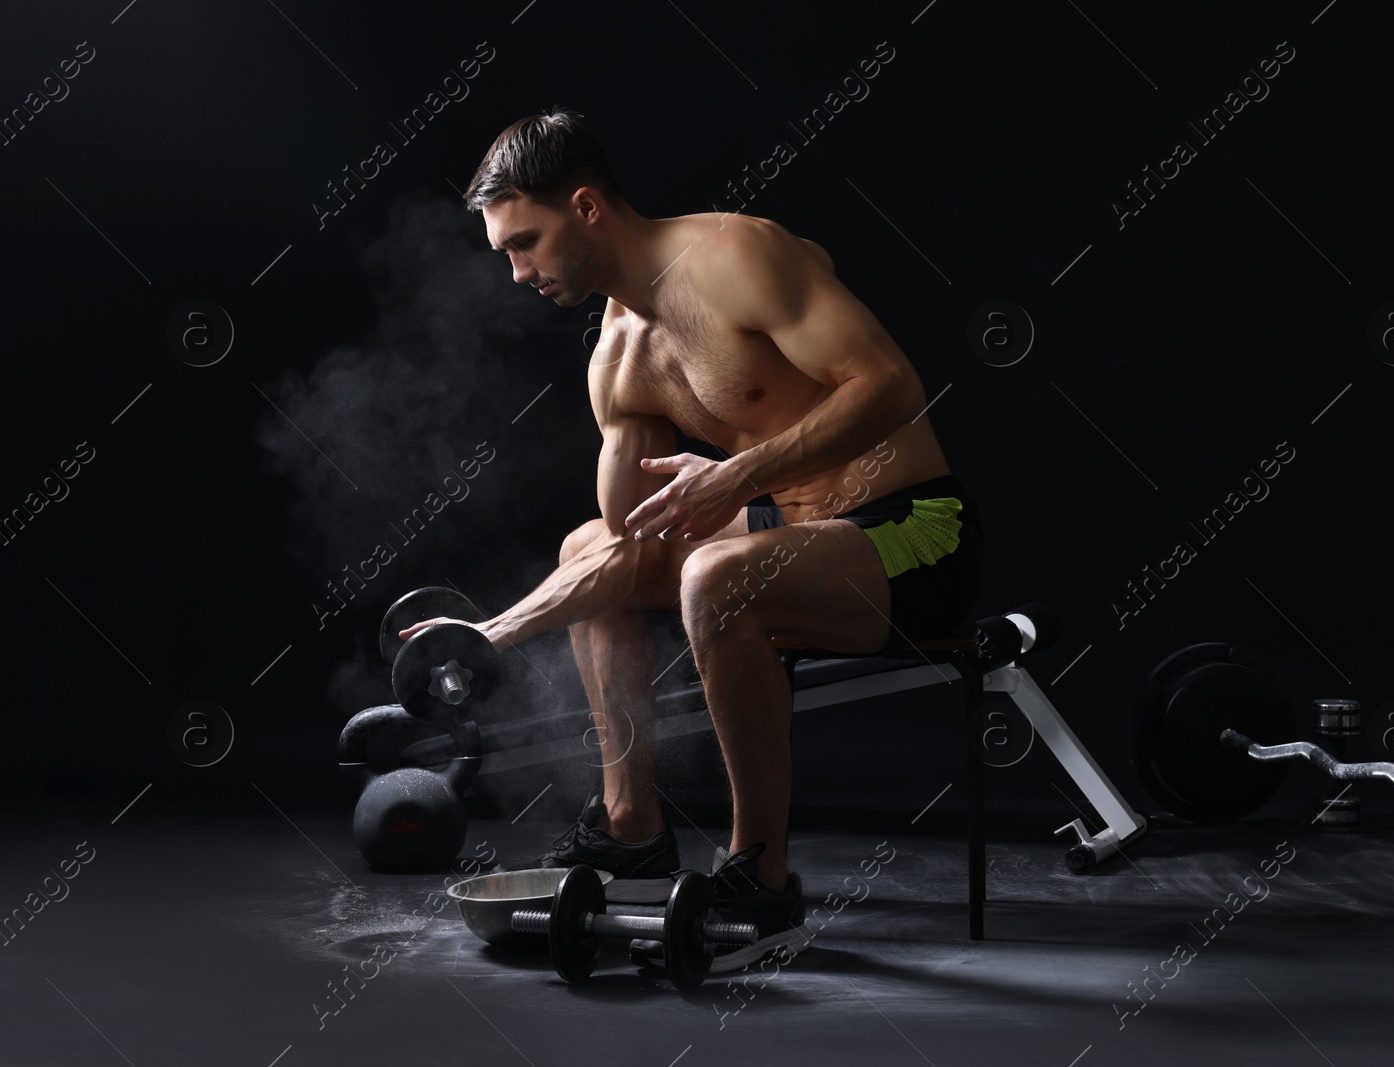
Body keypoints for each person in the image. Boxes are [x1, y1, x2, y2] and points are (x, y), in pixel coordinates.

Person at [399, 109, 983, 971]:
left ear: (588, 208)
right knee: (581, 544)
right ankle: (632, 830)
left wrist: (739, 478)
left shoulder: (736, 256)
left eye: (526, 242)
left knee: (713, 574)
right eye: (506, 254)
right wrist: (489, 634)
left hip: (915, 532)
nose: (518, 271)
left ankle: (763, 880)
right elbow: (626, 545)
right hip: (793, 537)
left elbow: (891, 385)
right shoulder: (617, 359)